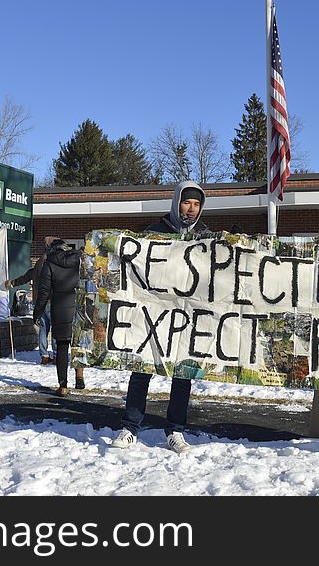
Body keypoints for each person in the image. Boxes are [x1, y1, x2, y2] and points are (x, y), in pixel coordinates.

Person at [111, 180, 209, 454]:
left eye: (196, 204)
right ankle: (130, 427)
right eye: (187, 202)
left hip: (186, 318)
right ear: (177, 202)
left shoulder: (204, 236)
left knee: (182, 374)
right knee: (141, 369)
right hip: (152, 316)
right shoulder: (153, 233)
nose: (191, 209)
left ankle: (175, 431)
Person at [6, 238, 84, 396]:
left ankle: (63, 386)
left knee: (62, 347)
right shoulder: (80, 260)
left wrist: (37, 312)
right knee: (79, 344)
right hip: (79, 308)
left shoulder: (49, 263)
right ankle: (79, 376)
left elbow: (44, 292)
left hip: (59, 307)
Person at [9, 237, 57, 365]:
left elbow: (28, 275)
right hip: (51, 299)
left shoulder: (40, 262)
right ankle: (57, 355)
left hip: (38, 301)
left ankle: (44, 355)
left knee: (43, 328)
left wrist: (13, 283)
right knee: (56, 328)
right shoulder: (53, 261)